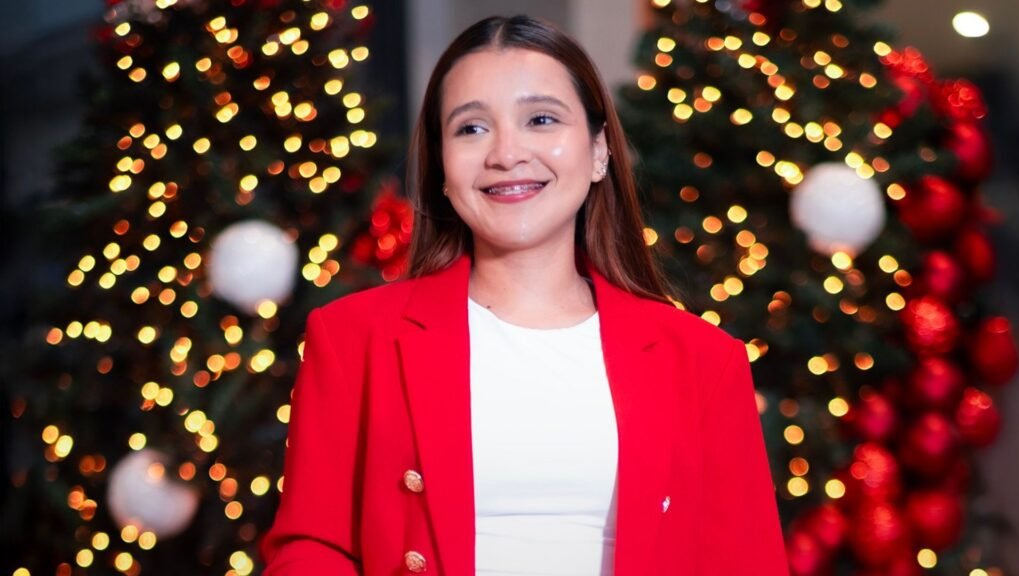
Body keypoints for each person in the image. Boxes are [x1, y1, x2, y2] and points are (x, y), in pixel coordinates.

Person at [261, 14, 789, 576]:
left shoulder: (705, 360)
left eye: (541, 119)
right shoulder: (353, 336)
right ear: (441, 165)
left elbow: (744, 563)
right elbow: (311, 551)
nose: (506, 153)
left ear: (598, 151)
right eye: (471, 128)